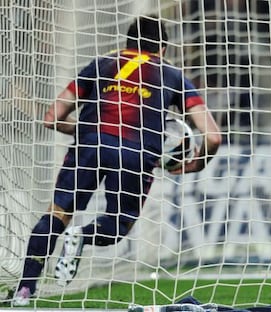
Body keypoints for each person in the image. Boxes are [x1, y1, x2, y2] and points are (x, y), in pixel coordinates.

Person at [12, 15, 222, 306]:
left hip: (89, 145)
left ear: (128, 41)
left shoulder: (100, 65)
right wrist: (197, 163)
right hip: (136, 153)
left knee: (57, 213)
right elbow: (213, 137)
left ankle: (24, 290)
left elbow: (52, 118)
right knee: (117, 227)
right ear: (163, 48)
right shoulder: (172, 75)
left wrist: (90, 127)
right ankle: (83, 236)